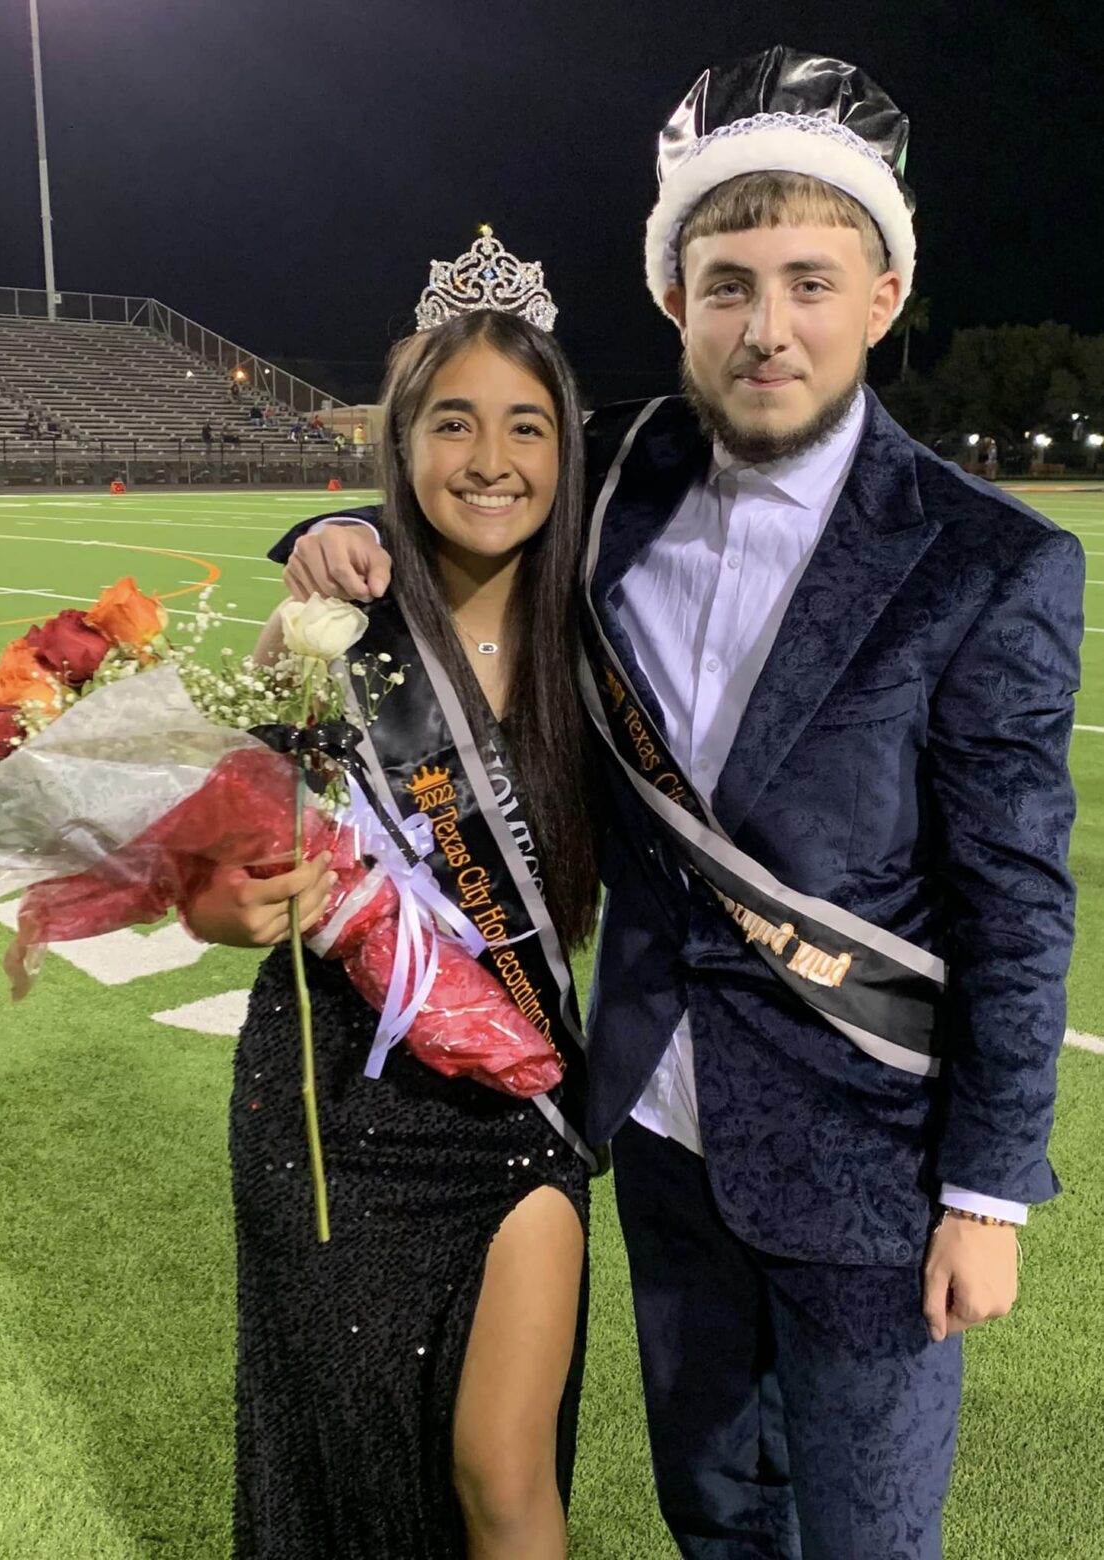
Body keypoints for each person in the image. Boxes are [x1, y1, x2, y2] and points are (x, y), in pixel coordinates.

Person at [272, 50, 1084, 1560]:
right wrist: (336, 535)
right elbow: (466, 485)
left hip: (871, 1156)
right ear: (673, 299)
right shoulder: (622, 472)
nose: (767, 327)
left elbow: (1017, 899)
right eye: (728, 285)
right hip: (655, 1119)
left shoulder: (989, 559)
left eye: (809, 282)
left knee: (866, 1535)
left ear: (884, 298)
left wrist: (987, 1193)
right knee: (712, 1514)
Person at [185, 233, 600, 1560]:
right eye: (452, 422)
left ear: (566, 447)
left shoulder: (600, 634)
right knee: (348, 1459)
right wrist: (239, 904)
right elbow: (208, 875)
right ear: (401, 440)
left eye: (526, 425)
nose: (490, 459)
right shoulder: (325, 629)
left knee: (503, 1475)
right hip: (331, 1105)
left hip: (516, 1093)